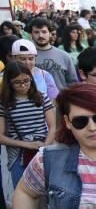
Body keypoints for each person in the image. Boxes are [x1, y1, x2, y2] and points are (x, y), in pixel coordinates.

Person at [0, 61, 56, 189]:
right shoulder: (4, 104)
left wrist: (45, 147)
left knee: (45, 194)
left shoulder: (41, 97)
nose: (23, 85)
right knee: (22, 191)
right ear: (9, 83)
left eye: (26, 80)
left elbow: (52, 126)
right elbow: (1, 137)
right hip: (18, 154)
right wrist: (27, 144)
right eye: (17, 82)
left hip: (42, 150)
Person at [29, 17, 78, 90]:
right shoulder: (26, 57)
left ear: (50, 34)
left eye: (44, 32)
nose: (40, 35)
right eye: (36, 32)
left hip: (61, 99)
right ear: (31, 35)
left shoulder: (64, 56)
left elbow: (73, 83)